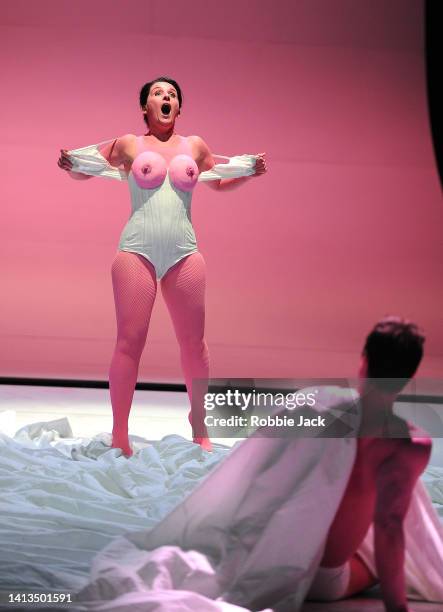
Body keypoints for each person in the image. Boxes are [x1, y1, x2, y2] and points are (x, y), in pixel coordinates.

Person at [57, 76, 267, 457]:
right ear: (145, 107)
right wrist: (71, 164)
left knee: (194, 345)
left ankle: (199, 424)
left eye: (172, 94)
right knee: (128, 343)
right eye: (158, 93)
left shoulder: (195, 146)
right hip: (136, 249)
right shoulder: (128, 144)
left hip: (184, 252)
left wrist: (247, 173)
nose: (165, 98)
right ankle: (120, 432)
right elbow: (84, 169)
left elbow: (218, 183)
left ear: (179, 108)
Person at [305, 316, 432, 611]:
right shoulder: (407, 444)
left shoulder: (313, 410)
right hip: (321, 581)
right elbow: (389, 524)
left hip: (270, 563)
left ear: (363, 361)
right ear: (408, 378)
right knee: (383, 554)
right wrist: (397, 608)